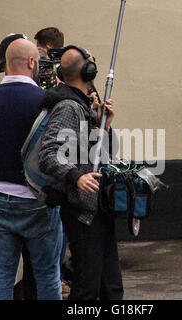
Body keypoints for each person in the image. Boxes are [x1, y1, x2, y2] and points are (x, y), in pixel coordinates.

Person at [0, 38, 63, 300]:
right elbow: (62, 152)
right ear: (32, 62)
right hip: (40, 200)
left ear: (6, 64)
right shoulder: (47, 102)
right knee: (47, 275)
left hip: (0, 200)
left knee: (3, 274)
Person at [38, 45, 124, 300]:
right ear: (88, 69)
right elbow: (48, 154)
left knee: (111, 288)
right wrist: (76, 177)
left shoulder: (83, 106)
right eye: (91, 61)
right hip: (82, 213)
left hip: (98, 207)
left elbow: (98, 153)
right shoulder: (68, 107)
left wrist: (103, 126)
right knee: (87, 288)